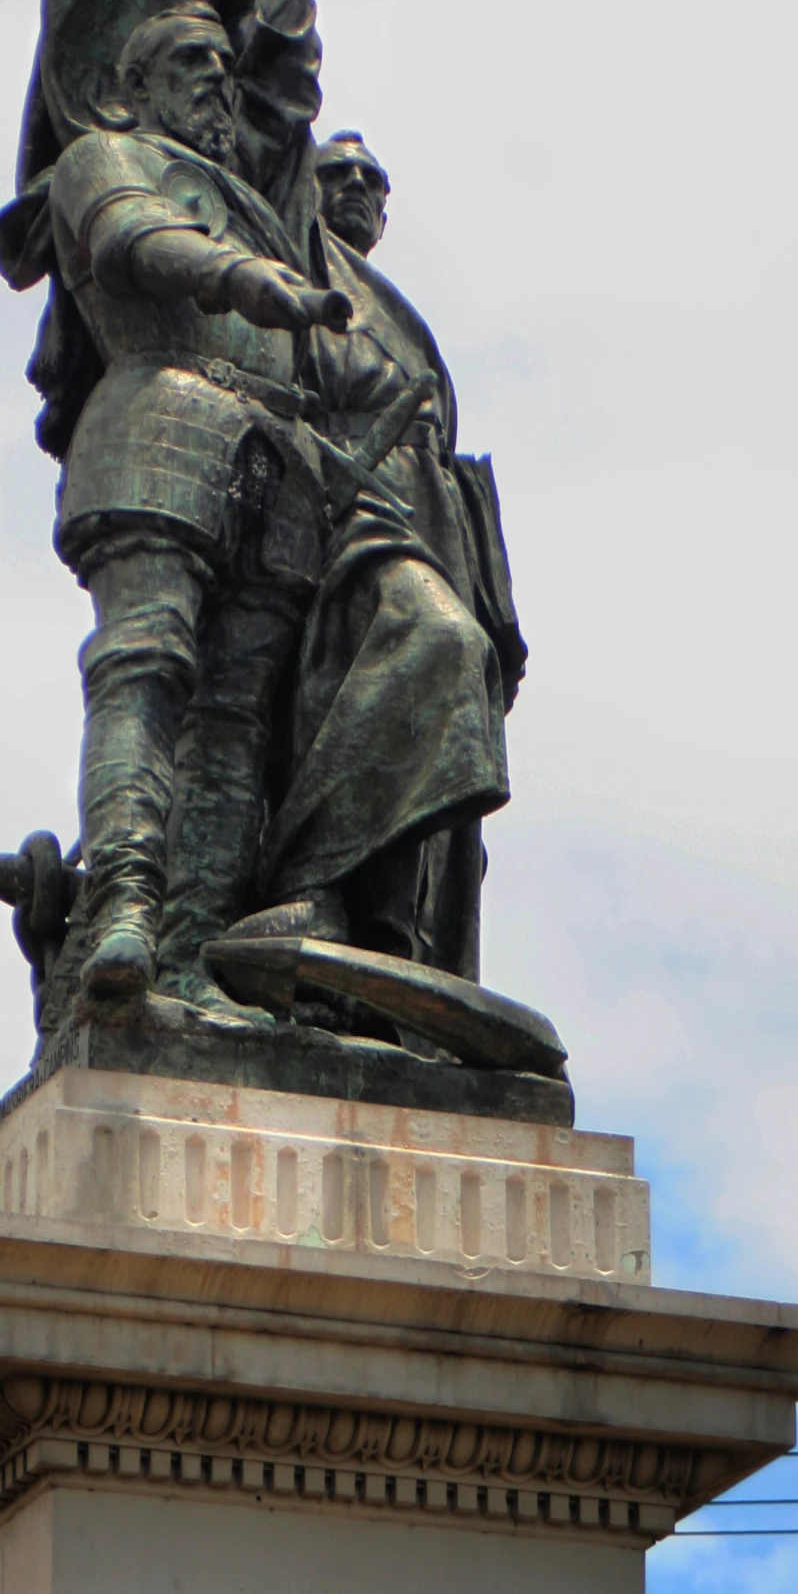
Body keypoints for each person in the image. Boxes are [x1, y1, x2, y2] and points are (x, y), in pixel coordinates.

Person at [42, 2, 349, 1017]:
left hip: (276, 455)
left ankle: (186, 955)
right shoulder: (105, 154)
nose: (215, 78)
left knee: (233, 718)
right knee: (145, 666)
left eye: (221, 62)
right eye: (189, 61)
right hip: (157, 411)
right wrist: (243, 280)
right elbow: (133, 240)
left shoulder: (255, 193)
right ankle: (123, 906)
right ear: (135, 86)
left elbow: (284, 90)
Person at [222, 131, 526, 979]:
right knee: (433, 649)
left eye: (371, 180)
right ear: (304, 187)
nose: (355, 188)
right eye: (336, 173)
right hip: (346, 502)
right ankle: (308, 878)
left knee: (449, 719)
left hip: (432, 517)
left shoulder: (403, 313)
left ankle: (392, 941)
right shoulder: (293, 260)